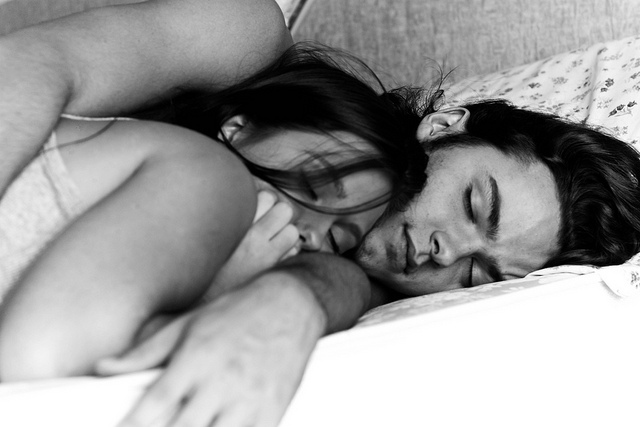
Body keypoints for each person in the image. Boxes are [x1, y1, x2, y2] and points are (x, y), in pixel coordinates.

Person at [1, 1, 639, 427]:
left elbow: (344, 282)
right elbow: (32, 66)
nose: (446, 253)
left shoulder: (353, 275)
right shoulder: (246, 41)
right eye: (475, 204)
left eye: (475, 275)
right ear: (446, 125)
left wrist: (289, 298)